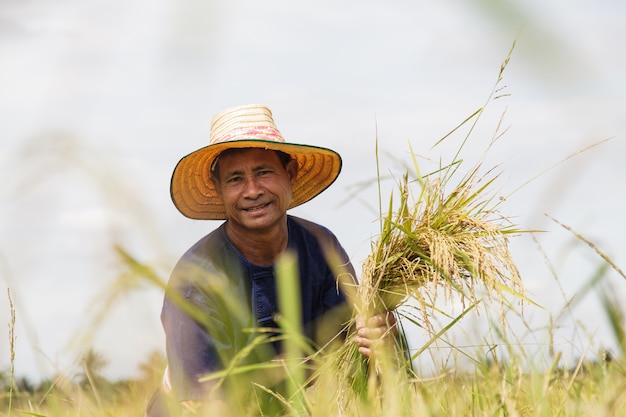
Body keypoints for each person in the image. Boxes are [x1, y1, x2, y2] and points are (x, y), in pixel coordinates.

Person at [146, 104, 396, 417]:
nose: (252, 191)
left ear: (289, 174)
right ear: (218, 189)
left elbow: (353, 352)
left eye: (264, 172)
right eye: (235, 179)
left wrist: (378, 341)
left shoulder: (321, 247)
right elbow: (201, 404)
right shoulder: (195, 279)